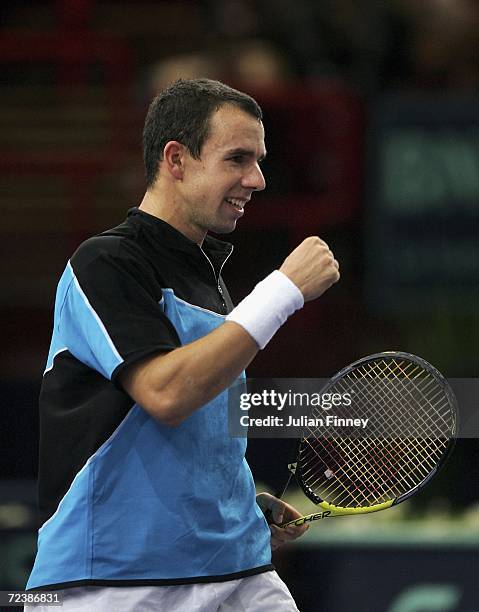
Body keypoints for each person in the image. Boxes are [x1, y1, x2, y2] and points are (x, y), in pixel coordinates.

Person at [25, 78, 339, 611]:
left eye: (259, 161)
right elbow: (167, 393)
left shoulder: (208, 279)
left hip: (234, 566)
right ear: (176, 158)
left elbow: (197, 421)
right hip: (113, 583)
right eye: (238, 159)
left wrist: (231, 499)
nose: (257, 179)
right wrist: (282, 291)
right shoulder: (107, 263)